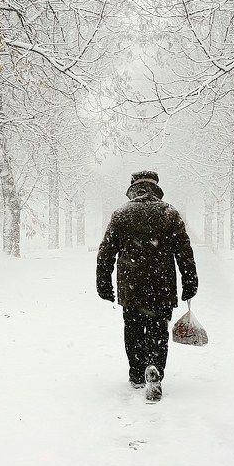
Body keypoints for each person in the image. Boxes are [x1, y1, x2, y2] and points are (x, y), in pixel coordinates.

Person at [96, 170, 198, 402]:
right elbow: (184, 252)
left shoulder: (121, 214)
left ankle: (136, 374)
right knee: (158, 331)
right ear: (156, 188)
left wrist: (104, 284)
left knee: (133, 330)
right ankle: (154, 369)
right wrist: (189, 281)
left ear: (133, 188)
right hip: (162, 286)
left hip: (131, 287)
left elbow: (106, 253)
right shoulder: (169, 213)